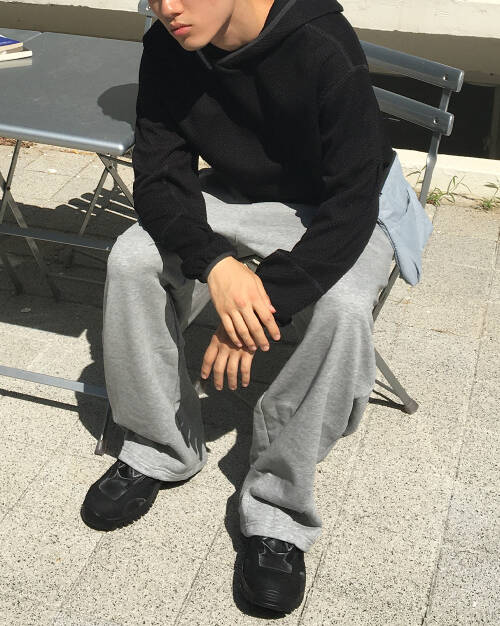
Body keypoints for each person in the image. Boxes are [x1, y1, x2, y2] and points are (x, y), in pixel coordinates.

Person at [80, 0, 430, 614]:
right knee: (131, 261)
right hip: (241, 194)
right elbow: (160, 176)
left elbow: (353, 199)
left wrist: (264, 301)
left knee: (344, 308)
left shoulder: (321, 44)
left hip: (340, 205)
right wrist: (217, 265)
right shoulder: (168, 43)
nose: (167, 8)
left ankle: (277, 511)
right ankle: (159, 447)